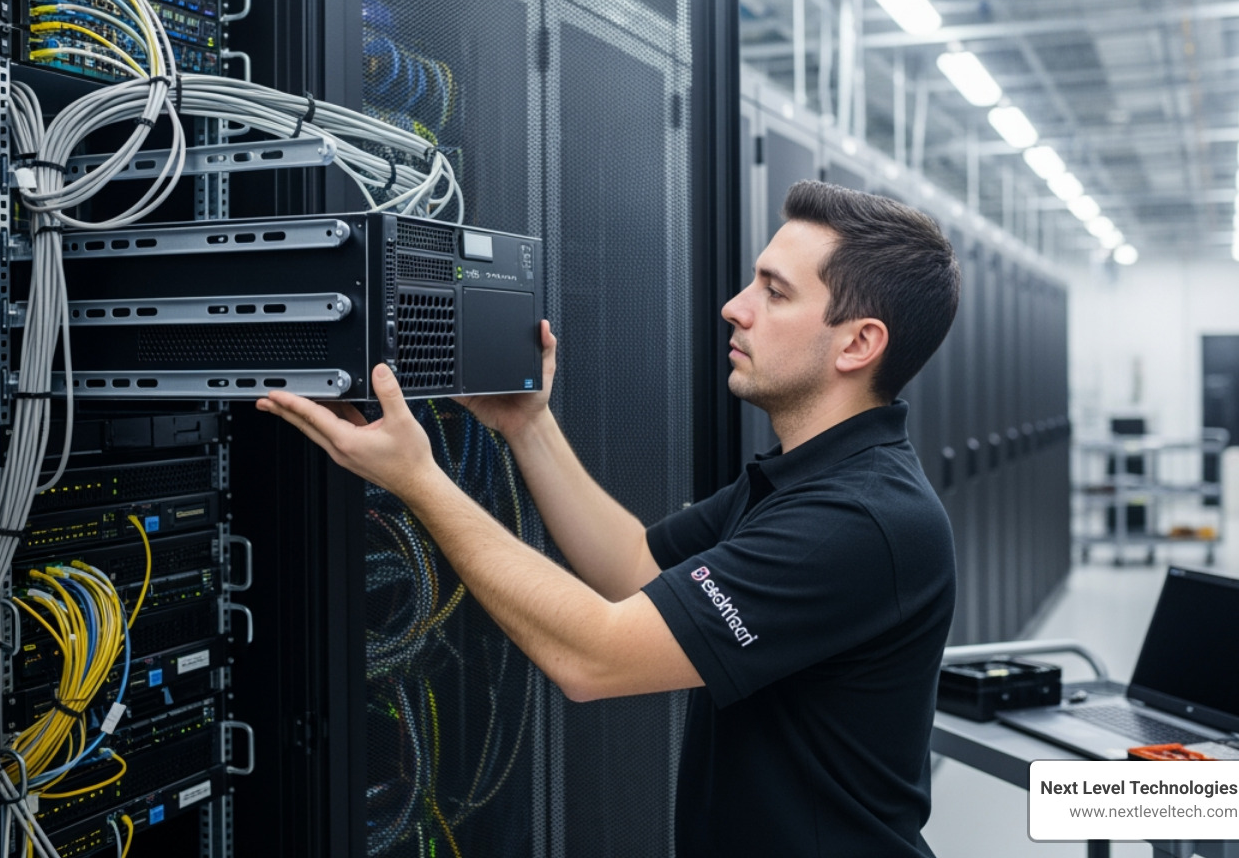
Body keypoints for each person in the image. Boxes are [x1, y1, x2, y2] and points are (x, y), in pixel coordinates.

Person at [258, 179, 961, 857]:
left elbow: (593, 656)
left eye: (774, 293)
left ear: (858, 344)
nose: (734, 307)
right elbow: (636, 567)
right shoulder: (810, 476)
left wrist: (419, 480)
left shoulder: (858, 518)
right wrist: (529, 427)